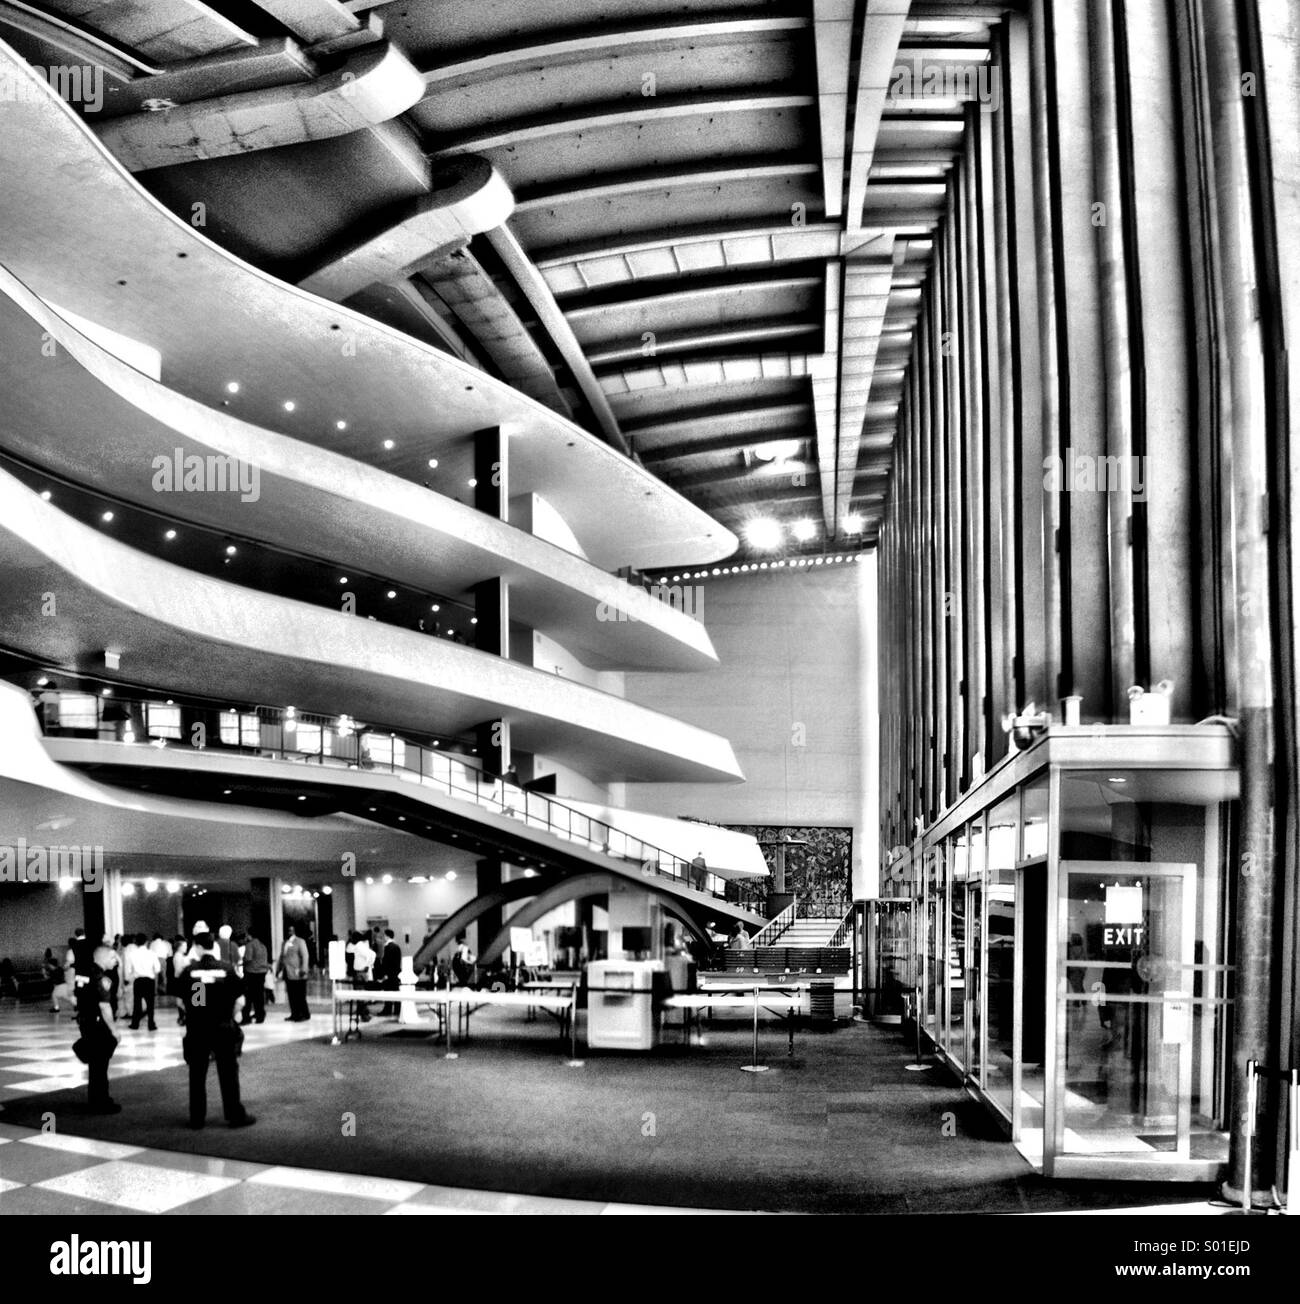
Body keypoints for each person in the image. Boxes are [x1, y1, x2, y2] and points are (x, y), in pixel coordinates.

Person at [181, 930, 254, 1129]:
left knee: (197, 1073)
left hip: (198, 1028)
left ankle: (197, 1118)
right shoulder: (227, 969)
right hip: (222, 1027)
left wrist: (196, 1010)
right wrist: (230, 1014)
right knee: (228, 1071)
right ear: (214, 946)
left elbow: (182, 1001)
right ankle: (234, 1114)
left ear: (196, 947)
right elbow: (240, 1000)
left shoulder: (190, 971)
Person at [75, 944, 120, 1114]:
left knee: (95, 1065)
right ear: (103, 957)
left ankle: (96, 1099)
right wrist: (114, 1030)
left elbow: (76, 997)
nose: (115, 961)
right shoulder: (101, 978)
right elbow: (104, 1006)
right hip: (98, 1024)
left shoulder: (83, 974)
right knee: (100, 1065)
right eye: (113, 957)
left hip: (85, 1022)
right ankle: (101, 1102)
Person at [126, 932, 160, 1031]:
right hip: (149, 981)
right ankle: (151, 1024)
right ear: (146, 942)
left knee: (137, 1003)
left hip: (138, 980)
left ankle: (135, 1024)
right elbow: (157, 969)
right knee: (150, 1004)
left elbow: (129, 970)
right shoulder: (152, 953)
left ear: (136, 942)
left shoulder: (132, 954)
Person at [277, 925, 311, 1021]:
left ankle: (303, 1014)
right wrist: (278, 970)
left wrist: (303, 970)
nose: (289, 932)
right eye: (288, 930)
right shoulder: (284, 943)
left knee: (300, 995)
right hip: (287, 973)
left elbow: (305, 956)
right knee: (291, 995)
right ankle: (294, 1014)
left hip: (298, 973)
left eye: (291, 930)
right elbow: (281, 957)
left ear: (294, 931)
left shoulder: (300, 941)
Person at [238, 931, 269, 1025]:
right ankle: (260, 1016)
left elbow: (248, 958)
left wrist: (241, 962)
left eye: (247, 935)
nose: (246, 937)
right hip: (261, 973)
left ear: (250, 935)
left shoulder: (250, 945)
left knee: (248, 996)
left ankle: (246, 1018)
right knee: (259, 996)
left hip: (251, 973)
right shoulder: (262, 945)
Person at [379, 929, 402, 1015]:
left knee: (388, 992)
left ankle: (387, 1010)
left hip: (389, 974)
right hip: (395, 974)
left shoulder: (388, 947)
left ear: (387, 936)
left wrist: (385, 974)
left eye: (384, 935)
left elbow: (387, 962)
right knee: (395, 992)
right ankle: (397, 1010)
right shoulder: (396, 946)